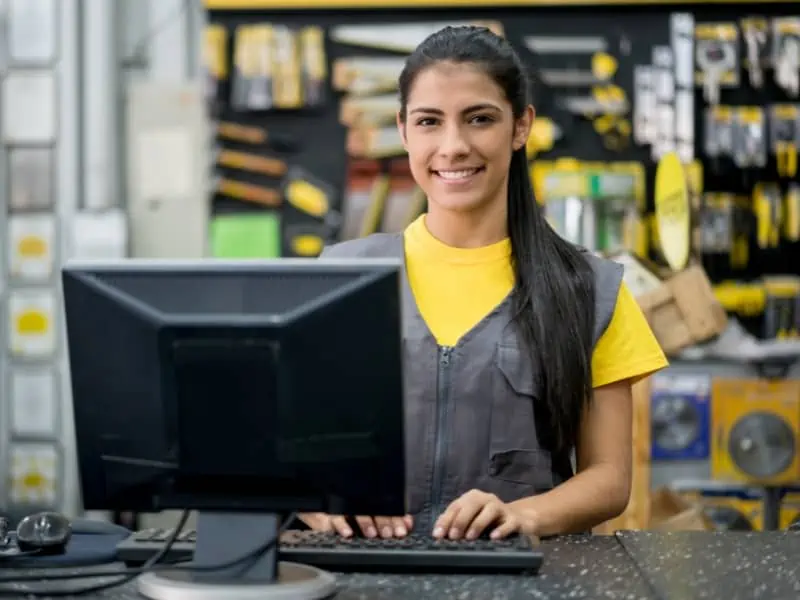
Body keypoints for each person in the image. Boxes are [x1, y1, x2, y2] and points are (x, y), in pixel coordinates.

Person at [300, 25, 668, 541]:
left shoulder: (591, 290)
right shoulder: (336, 279)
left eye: (479, 119)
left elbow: (609, 479)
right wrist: (318, 501)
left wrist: (525, 515)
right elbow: (283, 446)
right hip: (362, 572)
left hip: (520, 579)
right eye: (430, 122)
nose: (453, 146)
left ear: (520, 128)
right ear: (404, 131)